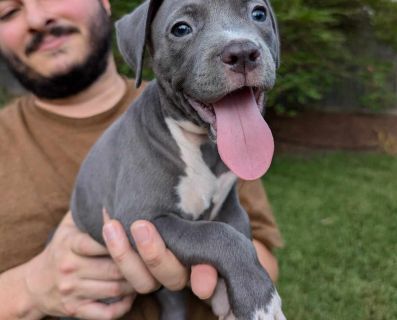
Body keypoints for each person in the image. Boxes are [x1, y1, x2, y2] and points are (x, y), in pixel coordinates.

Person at [0, 0, 283, 319]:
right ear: (142, 40)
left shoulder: (223, 123)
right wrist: (28, 289)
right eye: (8, 12)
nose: (38, 18)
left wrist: (230, 266)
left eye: (258, 14)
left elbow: (261, 256)